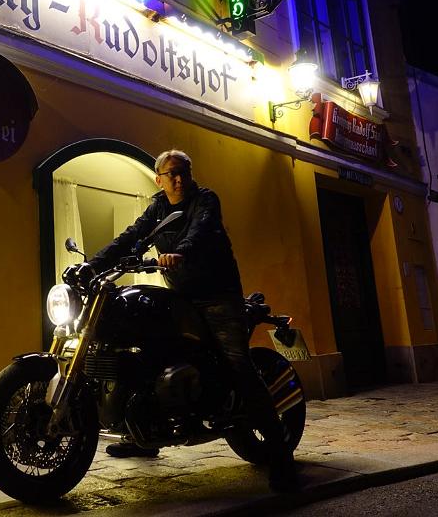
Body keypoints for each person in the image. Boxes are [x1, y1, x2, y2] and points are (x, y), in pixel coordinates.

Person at [86, 149, 297, 491]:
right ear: (159, 180)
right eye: (171, 173)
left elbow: (200, 230)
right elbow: (131, 236)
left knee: (238, 366)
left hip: (218, 296)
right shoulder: (157, 208)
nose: (178, 178)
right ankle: (143, 434)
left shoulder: (205, 199)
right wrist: (91, 265)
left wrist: (179, 251)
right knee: (148, 353)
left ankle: (281, 455)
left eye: (183, 171)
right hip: (181, 296)